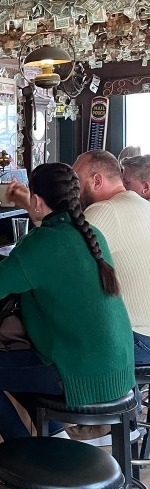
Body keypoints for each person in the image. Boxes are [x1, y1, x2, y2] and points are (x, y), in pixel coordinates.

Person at [0, 163, 135, 441]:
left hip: (78, 375)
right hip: (119, 372)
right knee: (16, 367)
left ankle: (24, 449)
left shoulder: (42, 243)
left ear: (38, 201)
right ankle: (53, 434)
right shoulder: (91, 235)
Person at [72, 150, 150, 365]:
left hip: (138, 339)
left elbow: (61, 264)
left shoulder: (103, 211)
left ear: (97, 180)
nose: (72, 189)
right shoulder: (144, 205)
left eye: (75, 181)